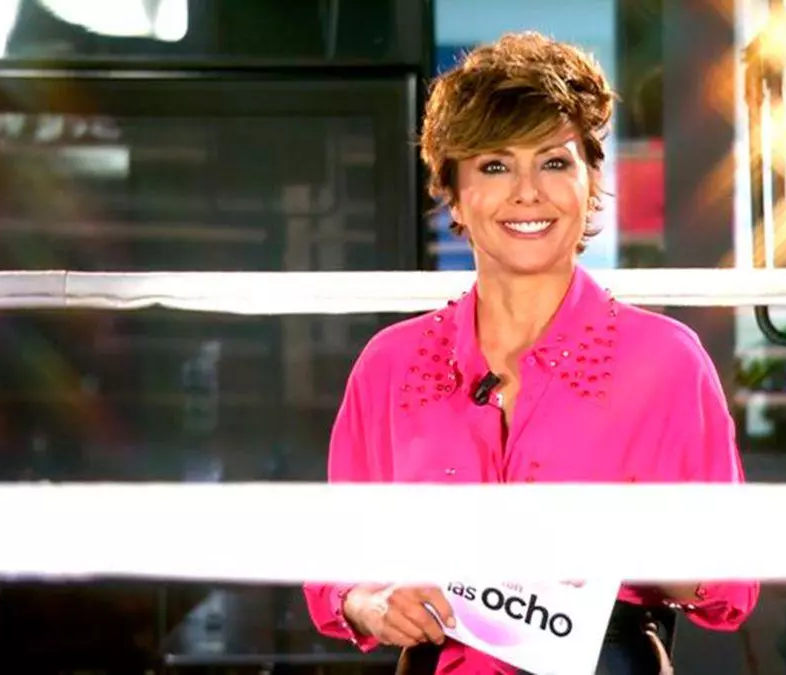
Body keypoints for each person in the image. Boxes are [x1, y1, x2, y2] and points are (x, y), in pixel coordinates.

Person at [303, 31, 759, 675]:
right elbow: (339, 567)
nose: (527, 192)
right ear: (452, 191)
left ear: (591, 181)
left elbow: (729, 584)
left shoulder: (666, 361)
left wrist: (623, 537)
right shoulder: (390, 365)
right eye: (494, 165)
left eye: (553, 162)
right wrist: (372, 603)